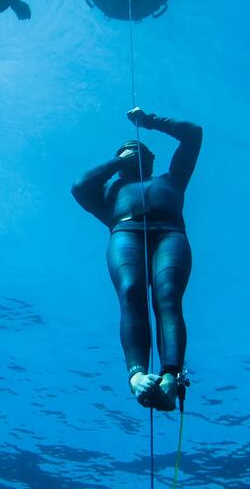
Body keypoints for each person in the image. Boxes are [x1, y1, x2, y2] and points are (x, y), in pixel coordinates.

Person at [71, 106, 202, 410]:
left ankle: (171, 378)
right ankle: (136, 376)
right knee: (131, 292)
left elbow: (193, 134)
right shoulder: (107, 196)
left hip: (170, 232)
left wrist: (151, 122)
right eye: (125, 152)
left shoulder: (172, 180)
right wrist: (118, 162)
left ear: (152, 160)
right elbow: (78, 186)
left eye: (139, 150)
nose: (132, 151)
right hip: (124, 231)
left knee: (167, 295)